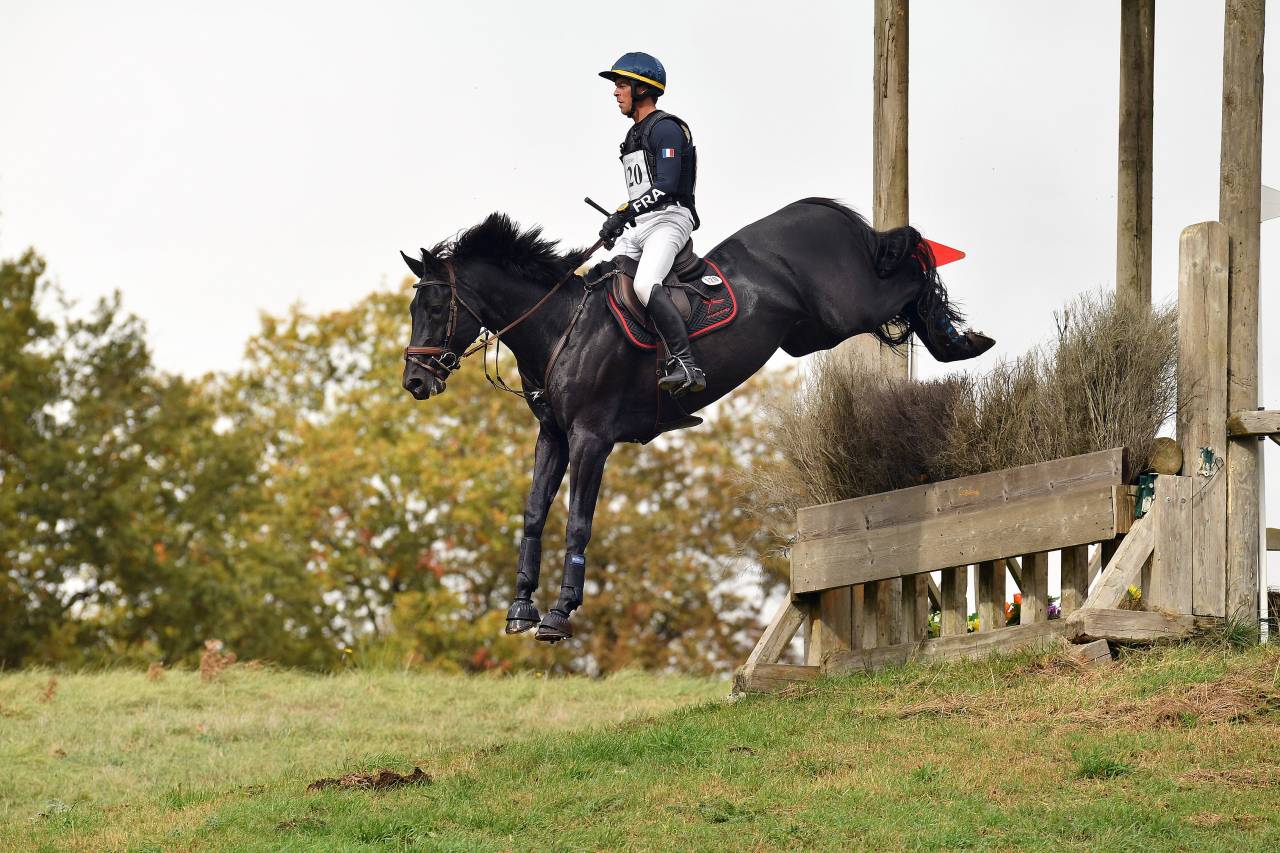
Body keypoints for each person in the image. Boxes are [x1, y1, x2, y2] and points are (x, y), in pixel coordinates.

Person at [597, 52, 705, 397]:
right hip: (643, 223)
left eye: (621, 85)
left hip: (671, 218)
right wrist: (620, 220)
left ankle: (686, 363)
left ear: (642, 89)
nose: (616, 92)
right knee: (604, 278)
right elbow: (642, 191)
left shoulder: (666, 128)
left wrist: (625, 213)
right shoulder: (634, 134)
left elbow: (667, 186)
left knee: (644, 285)